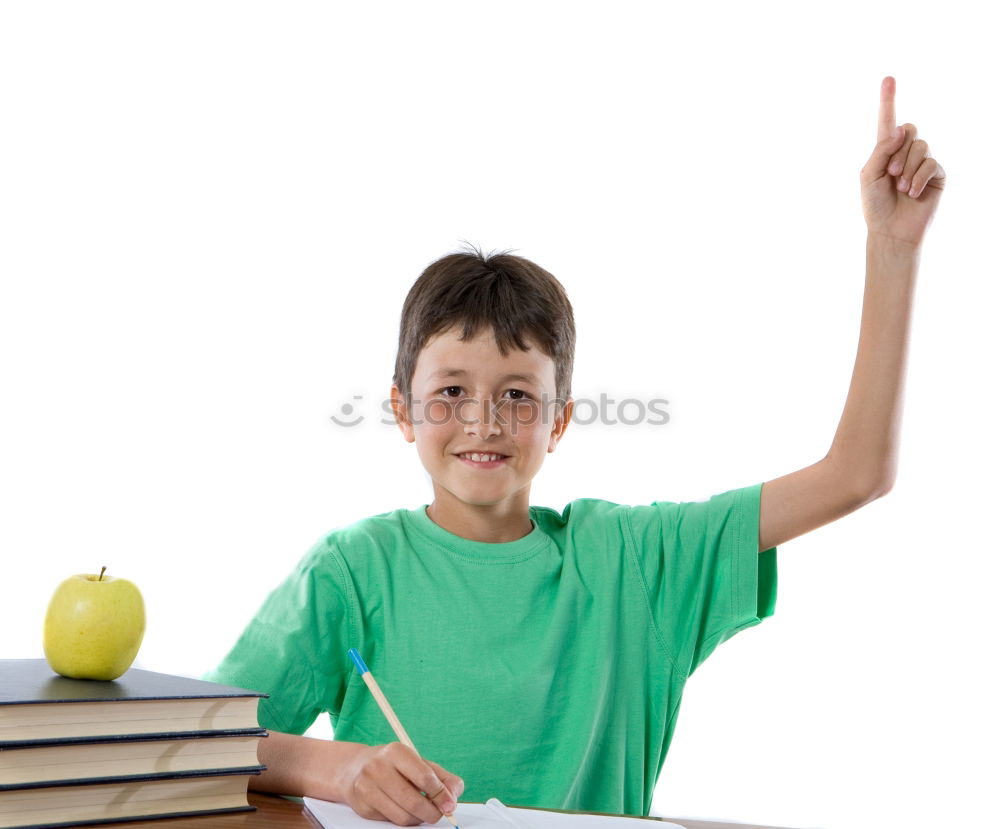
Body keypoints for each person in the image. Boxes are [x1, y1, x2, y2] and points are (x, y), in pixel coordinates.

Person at [203, 76, 945, 825]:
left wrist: (891, 246)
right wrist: (340, 766)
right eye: (451, 391)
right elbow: (207, 737)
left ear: (559, 420)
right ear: (402, 409)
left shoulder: (635, 561)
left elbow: (857, 473)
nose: (484, 420)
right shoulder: (353, 569)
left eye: (519, 395)